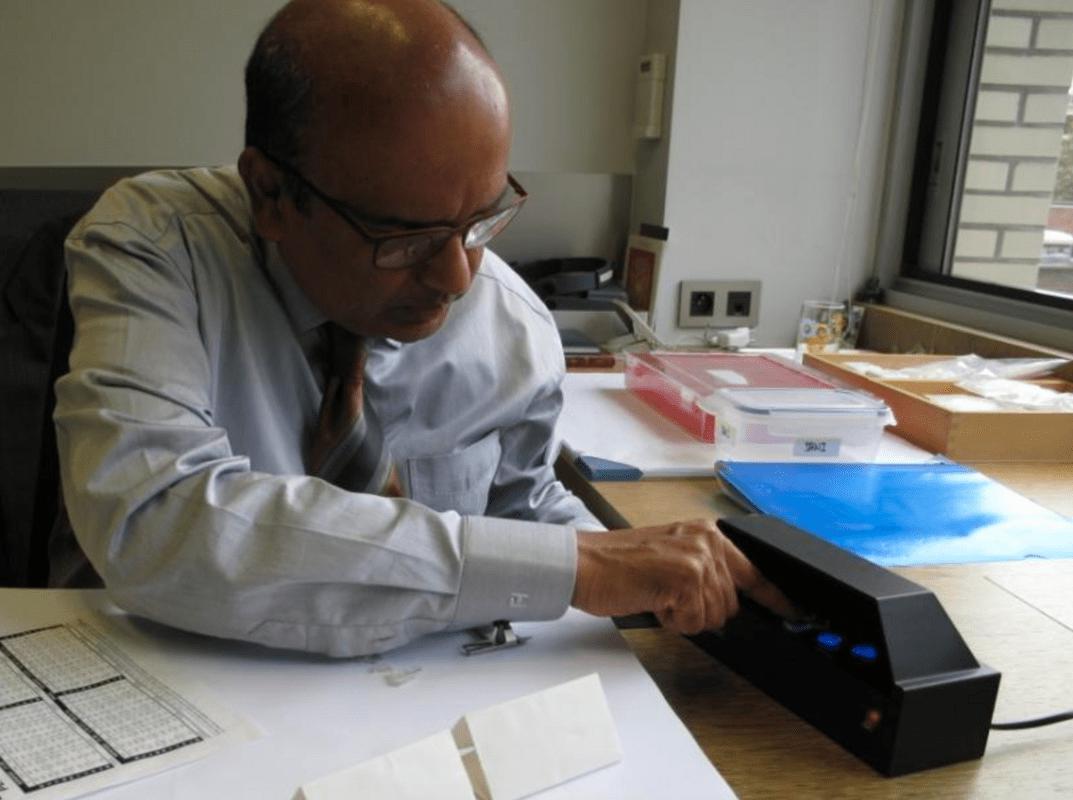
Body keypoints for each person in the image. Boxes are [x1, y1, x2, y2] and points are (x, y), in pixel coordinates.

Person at [52, 0, 793, 656]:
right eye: (401, 239)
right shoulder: (157, 243)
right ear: (271, 193)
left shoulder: (509, 327)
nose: (456, 279)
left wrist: (639, 564)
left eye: (481, 221)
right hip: (161, 676)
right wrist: (578, 567)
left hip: (412, 705)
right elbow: (153, 523)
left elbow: (522, 513)